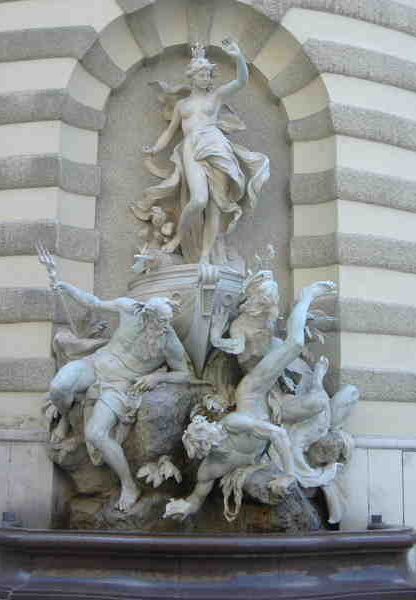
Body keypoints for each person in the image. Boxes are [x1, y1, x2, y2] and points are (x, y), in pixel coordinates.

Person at [165, 281, 336, 520]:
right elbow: (196, 498)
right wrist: (185, 507)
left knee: (295, 344)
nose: (214, 440)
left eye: (210, 437)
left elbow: (278, 434)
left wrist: (288, 475)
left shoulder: (232, 424)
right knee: (316, 404)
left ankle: (306, 296)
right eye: (206, 445)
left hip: (253, 389)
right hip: (269, 407)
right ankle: (316, 381)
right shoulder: (210, 468)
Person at [48, 282, 190, 511]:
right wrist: (68, 288)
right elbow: (93, 302)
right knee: (58, 387)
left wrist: (157, 378)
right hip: (95, 364)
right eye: (161, 321)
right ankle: (65, 418)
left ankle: (129, 485)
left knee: (96, 433)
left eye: (168, 321)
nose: (165, 326)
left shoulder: (169, 342)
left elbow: (185, 374)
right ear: (148, 314)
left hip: (119, 385)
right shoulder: (128, 308)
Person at [133, 39, 269, 264]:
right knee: (198, 199)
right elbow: (170, 132)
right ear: (193, 76)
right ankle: (179, 237)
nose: (207, 78)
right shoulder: (182, 105)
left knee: (215, 206)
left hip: (215, 144)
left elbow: (241, 81)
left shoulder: (215, 97)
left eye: (208, 75)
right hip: (191, 145)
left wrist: (238, 57)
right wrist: (154, 149)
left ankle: (205, 256)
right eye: (203, 74)